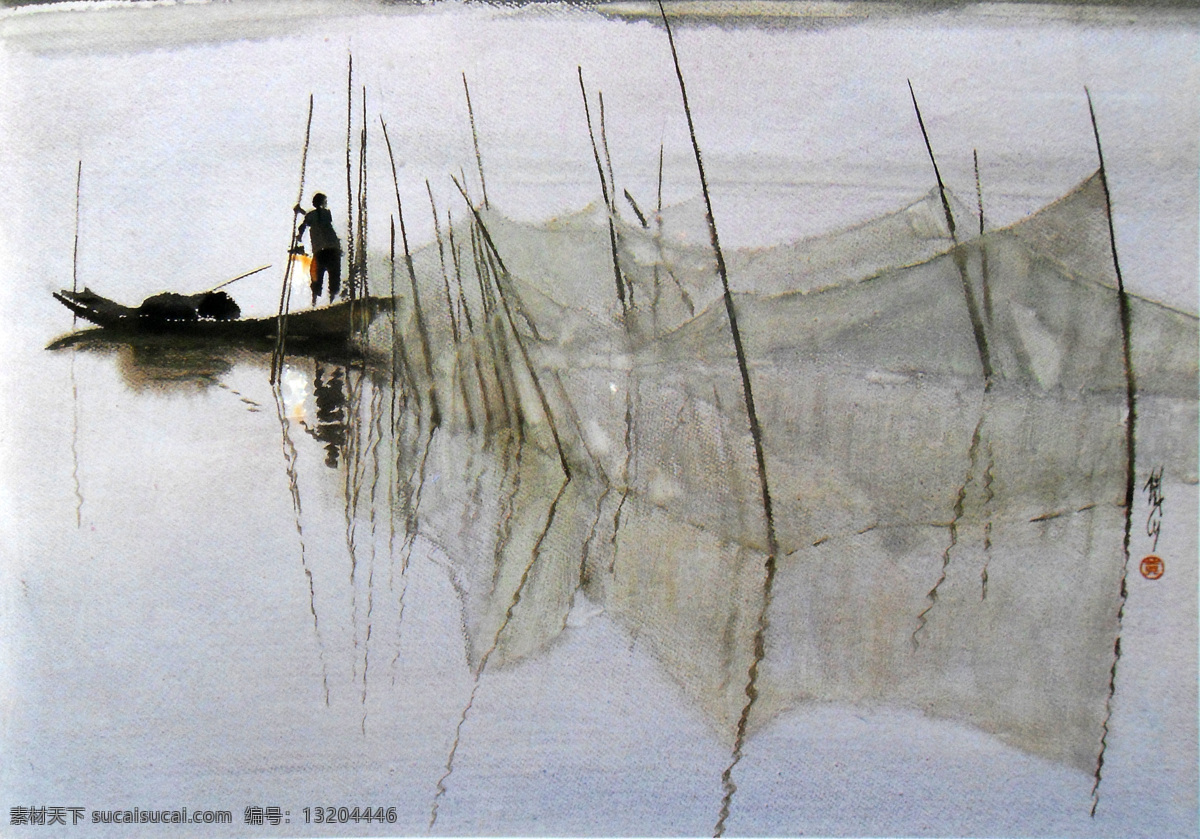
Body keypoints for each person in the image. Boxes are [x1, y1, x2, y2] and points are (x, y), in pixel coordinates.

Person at [294, 193, 343, 306]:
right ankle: (330, 300)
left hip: (321, 250)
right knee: (333, 276)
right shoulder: (325, 214)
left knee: (317, 276)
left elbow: (306, 221)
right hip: (332, 249)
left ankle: (315, 302)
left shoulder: (320, 214)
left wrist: (299, 236)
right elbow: (311, 217)